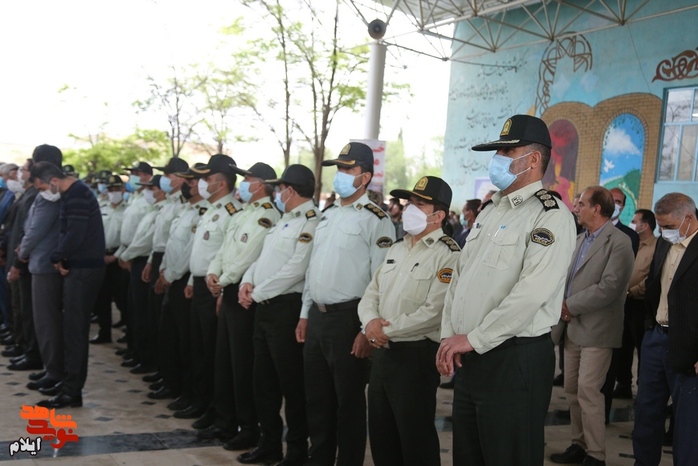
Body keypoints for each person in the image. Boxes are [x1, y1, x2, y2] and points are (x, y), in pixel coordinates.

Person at [436, 114, 577, 466]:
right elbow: (460, 278)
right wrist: (450, 335)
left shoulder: (550, 215)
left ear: (533, 159)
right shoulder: (489, 210)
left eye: (506, 151)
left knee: (509, 456)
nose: (497, 158)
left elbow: (531, 293)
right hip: (471, 355)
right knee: (468, 456)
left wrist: (473, 338)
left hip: (514, 359)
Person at [300, 142, 396, 466]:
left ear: (365, 177)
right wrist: (304, 314)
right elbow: (313, 269)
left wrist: (366, 330)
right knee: (318, 400)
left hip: (349, 320)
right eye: (338, 168)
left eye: (347, 169)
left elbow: (381, 280)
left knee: (349, 404)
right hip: (318, 317)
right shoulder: (327, 215)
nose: (339, 174)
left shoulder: (376, 219)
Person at [359, 176, 459, 466]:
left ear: (438, 216)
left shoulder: (448, 254)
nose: (409, 209)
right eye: (409, 202)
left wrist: (383, 330)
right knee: (382, 436)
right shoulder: (397, 247)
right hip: (383, 355)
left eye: (419, 204)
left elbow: (434, 312)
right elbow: (371, 293)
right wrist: (370, 323)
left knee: (415, 439)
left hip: (414, 358)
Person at [236, 164, 320, 466]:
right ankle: (269, 444)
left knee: (291, 385)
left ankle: (296, 451)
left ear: (290, 190)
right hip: (264, 309)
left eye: (280, 188)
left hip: (286, 310)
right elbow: (262, 258)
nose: (277, 193)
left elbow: (296, 269)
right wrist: (247, 281)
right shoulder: (285, 219)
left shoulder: (311, 221)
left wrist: (257, 292)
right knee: (264, 383)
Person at [550, 186, 634, 466]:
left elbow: (610, 287)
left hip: (597, 329)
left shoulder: (619, 242)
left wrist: (569, 305)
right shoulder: (578, 239)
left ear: (597, 209)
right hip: (572, 328)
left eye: (581, 203)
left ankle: (596, 455)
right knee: (572, 390)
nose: (576, 207)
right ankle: (578, 444)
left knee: (588, 391)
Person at [198, 162, 279, 449]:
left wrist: (223, 280)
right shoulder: (243, 212)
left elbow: (248, 255)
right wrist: (213, 272)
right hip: (228, 288)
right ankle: (225, 421)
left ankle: (248, 427)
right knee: (224, 361)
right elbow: (225, 248)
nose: (244, 183)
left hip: (243, 292)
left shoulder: (268, 215)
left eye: (249, 179)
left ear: (262, 185)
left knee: (242, 365)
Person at [31, 161, 105, 408]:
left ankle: (72, 391)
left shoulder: (78, 195)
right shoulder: (72, 193)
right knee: (71, 329)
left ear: (53, 181)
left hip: (84, 270)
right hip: (78, 267)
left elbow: (75, 233)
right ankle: (68, 385)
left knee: (75, 331)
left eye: (42, 188)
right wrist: (62, 257)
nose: (43, 193)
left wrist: (57, 256)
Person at [174, 154, 241, 422]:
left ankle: (214, 408)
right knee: (197, 348)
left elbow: (228, 255)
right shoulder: (210, 209)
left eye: (207, 178)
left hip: (216, 289)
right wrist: (193, 280)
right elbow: (202, 252)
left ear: (221, 183)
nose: (201, 183)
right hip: (201, 285)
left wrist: (221, 290)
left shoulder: (232, 212)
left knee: (213, 352)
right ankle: (198, 400)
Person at [633, 193, 698, 466]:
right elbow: (653, 286)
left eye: (668, 226)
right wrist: (650, 327)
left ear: (688, 219)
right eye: (660, 226)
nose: (662, 232)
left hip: (689, 347)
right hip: (656, 338)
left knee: (687, 424)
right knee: (646, 413)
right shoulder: (663, 244)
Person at [155, 163, 208, 414]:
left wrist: (171, 275)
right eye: (186, 180)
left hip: (184, 278)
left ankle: (190, 393)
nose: (187, 185)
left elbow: (190, 251)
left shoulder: (202, 212)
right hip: (173, 277)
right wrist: (164, 270)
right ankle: (173, 383)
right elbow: (172, 244)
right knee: (170, 336)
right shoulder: (186, 209)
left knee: (188, 343)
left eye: (192, 181)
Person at [613, 209, 657, 399]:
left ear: (645, 225)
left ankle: (643, 389)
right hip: (624, 302)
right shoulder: (632, 242)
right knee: (623, 345)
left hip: (641, 304)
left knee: (642, 347)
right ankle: (623, 384)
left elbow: (652, 277)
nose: (632, 224)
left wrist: (633, 291)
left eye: (634, 221)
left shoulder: (656, 246)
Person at [91, 175, 128, 344]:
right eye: (111, 190)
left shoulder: (128, 210)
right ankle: (104, 332)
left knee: (122, 297)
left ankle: (127, 329)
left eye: (117, 189)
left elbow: (129, 238)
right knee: (101, 297)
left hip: (119, 258)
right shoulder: (101, 208)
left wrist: (115, 256)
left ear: (123, 190)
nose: (114, 193)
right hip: (100, 256)